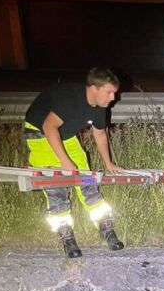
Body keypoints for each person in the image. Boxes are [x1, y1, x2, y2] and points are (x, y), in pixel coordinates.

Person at [24, 67, 125, 259]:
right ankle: (66, 236)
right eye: (109, 92)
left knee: (87, 181)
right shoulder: (70, 98)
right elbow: (48, 126)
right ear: (94, 88)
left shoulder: (100, 107)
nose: (113, 97)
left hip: (66, 136)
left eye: (114, 92)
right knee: (56, 187)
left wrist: (109, 163)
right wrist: (65, 161)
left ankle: (106, 229)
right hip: (40, 135)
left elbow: (100, 134)